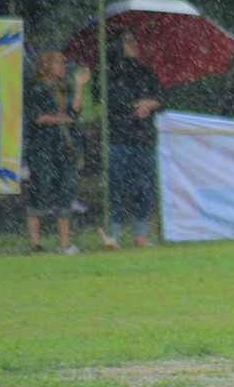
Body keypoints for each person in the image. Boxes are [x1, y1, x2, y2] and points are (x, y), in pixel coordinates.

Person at [99, 28, 163, 249]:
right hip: (119, 138)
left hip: (145, 138)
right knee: (117, 186)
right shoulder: (108, 74)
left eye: (135, 40)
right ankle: (113, 236)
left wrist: (151, 104)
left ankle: (141, 235)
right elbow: (110, 101)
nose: (133, 44)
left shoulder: (146, 72)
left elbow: (161, 97)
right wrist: (133, 108)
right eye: (127, 40)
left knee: (144, 187)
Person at [24, 50, 90, 254]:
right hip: (43, 148)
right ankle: (35, 243)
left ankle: (64, 243)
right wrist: (63, 120)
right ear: (47, 65)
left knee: (66, 192)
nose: (63, 66)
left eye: (64, 63)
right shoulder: (37, 89)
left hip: (64, 148)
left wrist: (79, 86)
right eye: (59, 62)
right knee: (40, 190)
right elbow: (38, 117)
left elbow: (75, 111)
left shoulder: (64, 88)